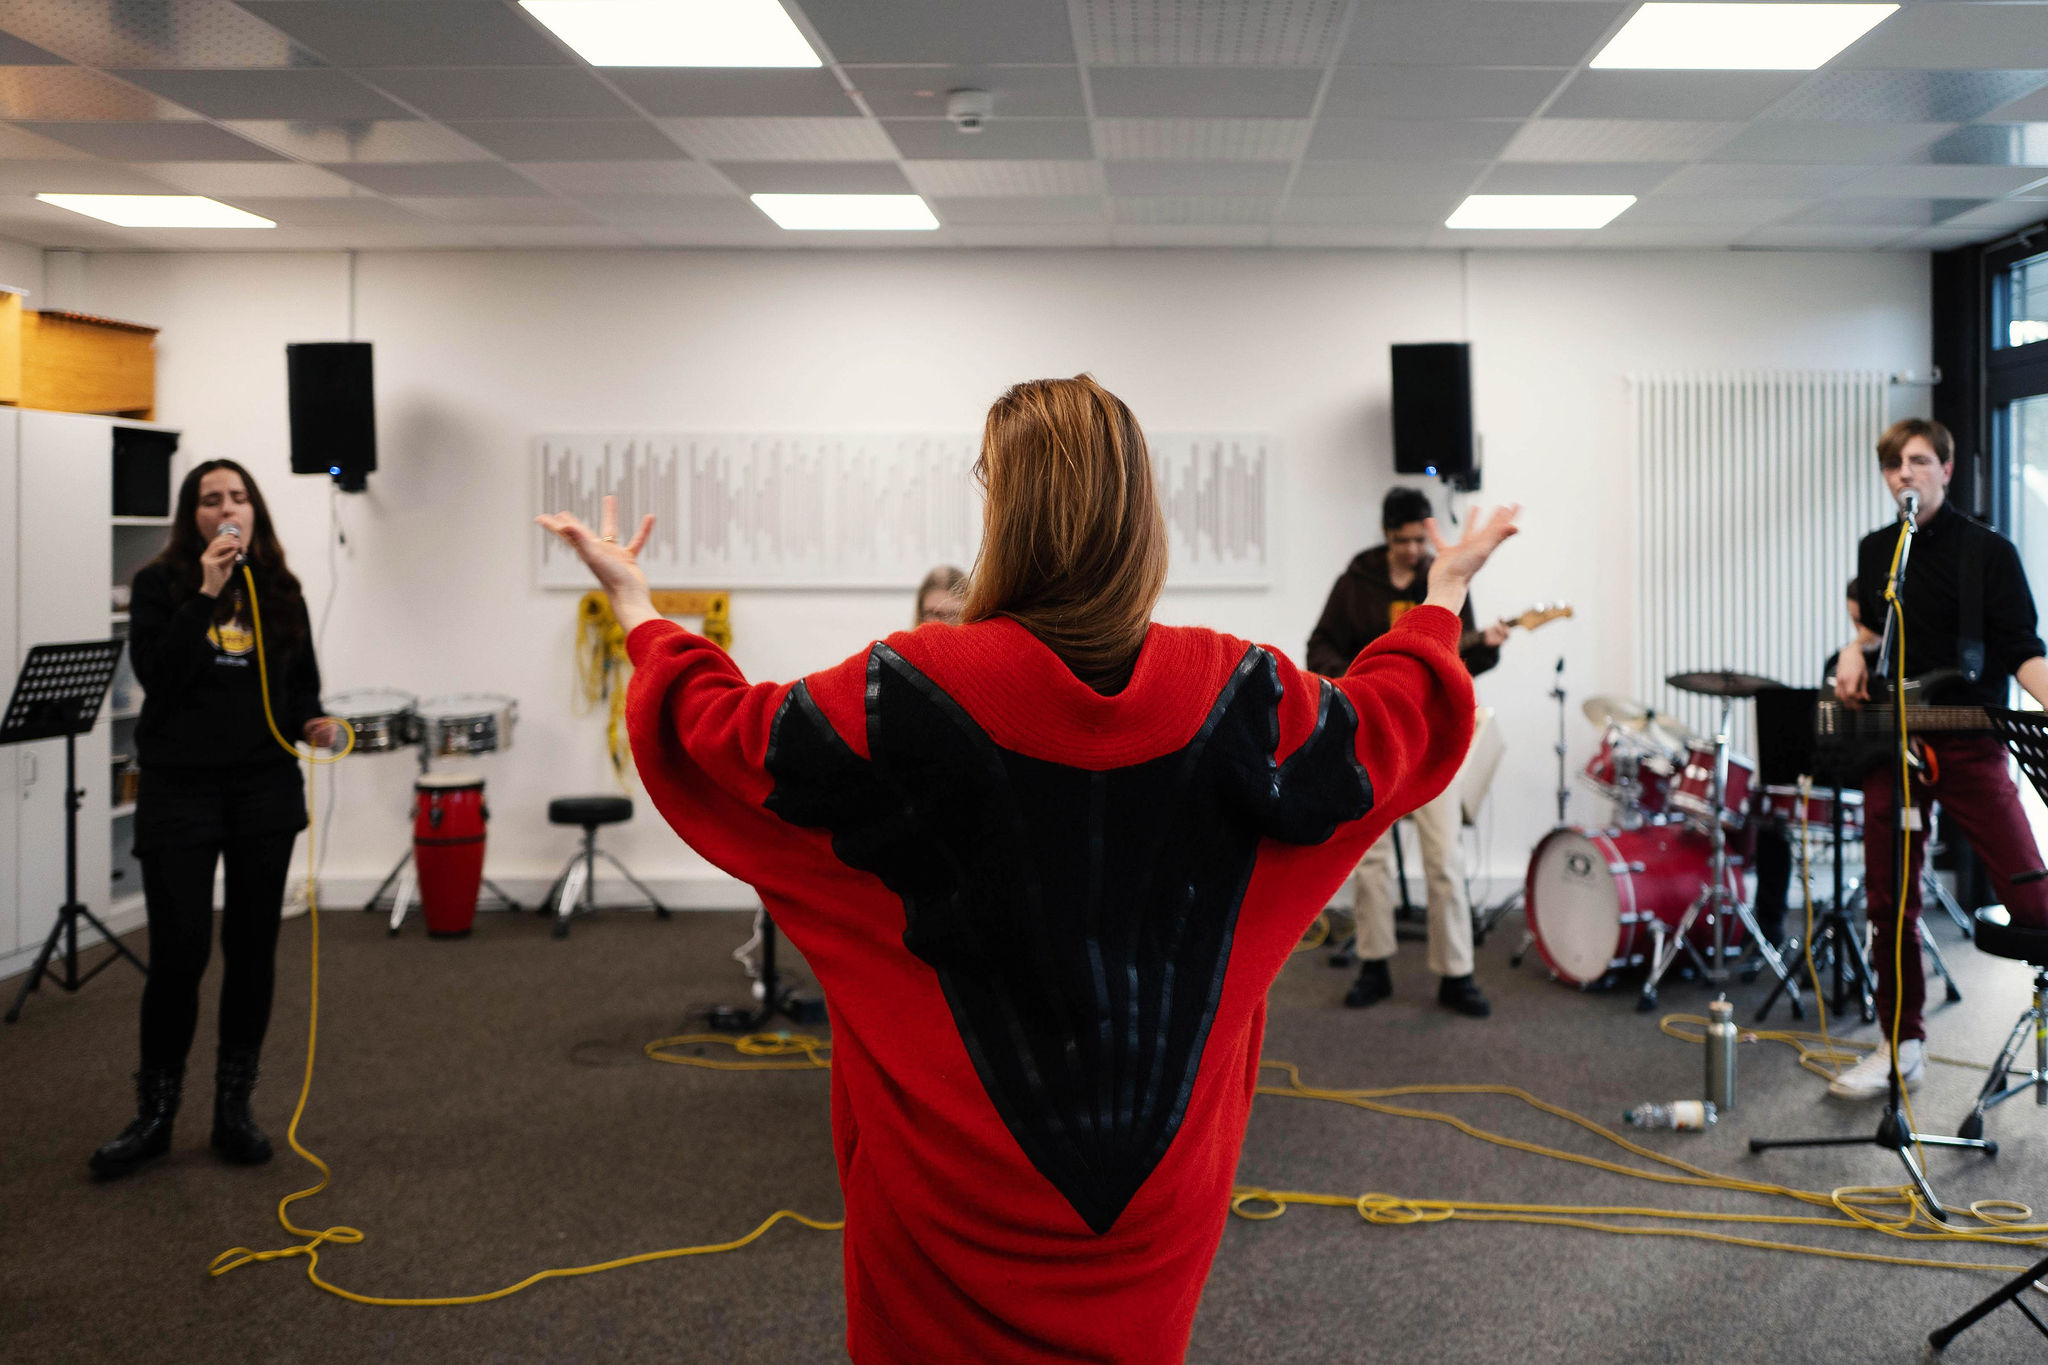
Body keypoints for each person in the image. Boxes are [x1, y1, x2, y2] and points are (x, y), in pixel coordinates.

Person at [540, 375, 1521, 1364]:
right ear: (1141, 517)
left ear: (1000, 514)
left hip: (942, 1200)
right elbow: (1393, 720)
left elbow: (715, 735)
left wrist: (635, 603)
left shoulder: (902, 692)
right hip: (1149, 1203)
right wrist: (1441, 595)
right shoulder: (1242, 694)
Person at [90, 460, 340, 1178]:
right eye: (211, 499)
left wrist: (315, 723)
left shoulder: (282, 589)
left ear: (255, 509)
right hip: (180, 791)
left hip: (263, 788)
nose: (227, 508)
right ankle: (155, 1115)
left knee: (252, 951)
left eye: (239, 497)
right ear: (190, 515)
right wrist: (206, 590)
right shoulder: (159, 585)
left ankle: (233, 1110)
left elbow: (300, 691)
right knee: (179, 956)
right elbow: (160, 677)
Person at [1828, 418, 2048, 1100]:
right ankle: (1902, 1046)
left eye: (1919, 461)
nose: (1905, 473)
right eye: (1894, 464)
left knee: (2026, 886)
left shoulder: (1989, 551)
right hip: (1891, 743)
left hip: (1968, 735)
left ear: (1945, 470)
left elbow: (2023, 648)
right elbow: (1870, 628)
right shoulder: (1876, 551)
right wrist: (1851, 649)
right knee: (1889, 902)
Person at [1306, 486, 1509, 1018]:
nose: (1415, 549)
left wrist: (1485, 647)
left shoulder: (1440, 578)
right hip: (1370, 739)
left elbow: (1462, 663)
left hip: (1428, 742)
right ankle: (1374, 966)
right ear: (1386, 534)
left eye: (1421, 539)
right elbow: (1316, 649)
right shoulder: (1354, 584)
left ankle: (1456, 974)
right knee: (1368, 860)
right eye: (1404, 540)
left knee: (1443, 858)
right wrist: (1364, 676)